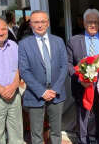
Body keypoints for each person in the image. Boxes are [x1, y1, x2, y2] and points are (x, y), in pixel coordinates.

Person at [18, 10, 68, 144]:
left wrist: (55, 89)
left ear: (48, 23)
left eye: (42, 22)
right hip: (35, 94)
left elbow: (64, 67)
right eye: (36, 22)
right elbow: (24, 70)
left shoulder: (58, 41)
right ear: (31, 24)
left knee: (56, 131)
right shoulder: (24, 44)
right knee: (36, 133)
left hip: (56, 93)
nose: (39, 25)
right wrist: (42, 91)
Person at [67, 8, 99, 144]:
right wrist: (80, 79)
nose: (93, 25)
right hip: (82, 87)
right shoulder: (73, 41)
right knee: (82, 120)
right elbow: (67, 63)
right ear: (84, 23)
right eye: (89, 22)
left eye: (96, 22)